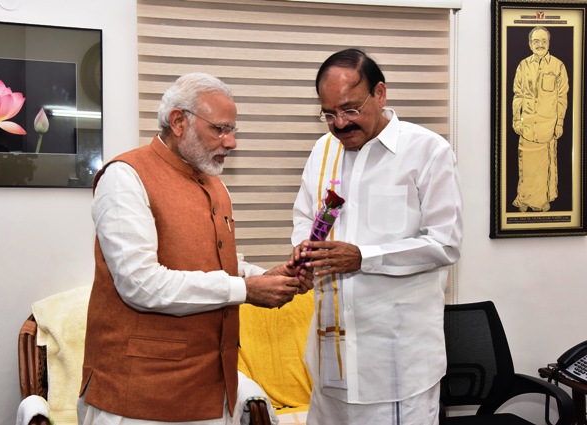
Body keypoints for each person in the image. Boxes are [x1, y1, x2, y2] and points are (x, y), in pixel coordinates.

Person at [78, 72, 313, 425]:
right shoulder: (125, 177)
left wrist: (267, 276)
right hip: (138, 397)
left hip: (213, 392)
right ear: (178, 122)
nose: (231, 142)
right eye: (220, 129)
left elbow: (216, 263)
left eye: (233, 130)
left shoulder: (216, 185)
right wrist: (246, 289)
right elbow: (140, 284)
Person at [290, 49, 463, 424]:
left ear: (380, 94)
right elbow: (305, 215)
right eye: (329, 114)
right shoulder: (323, 151)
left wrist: (363, 257)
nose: (339, 124)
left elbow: (445, 243)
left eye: (350, 110)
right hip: (331, 363)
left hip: (396, 367)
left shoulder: (427, 151)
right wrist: (304, 249)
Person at [512, 26, 569, 212]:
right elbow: (518, 95)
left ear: (549, 43)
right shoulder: (523, 66)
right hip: (527, 126)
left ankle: (540, 202)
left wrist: (559, 123)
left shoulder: (558, 66)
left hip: (547, 127)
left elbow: (562, 98)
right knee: (526, 165)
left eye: (544, 41)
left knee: (544, 166)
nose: (540, 44)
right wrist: (516, 120)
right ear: (530, 44)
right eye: (536, 41)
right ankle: (524, 199)